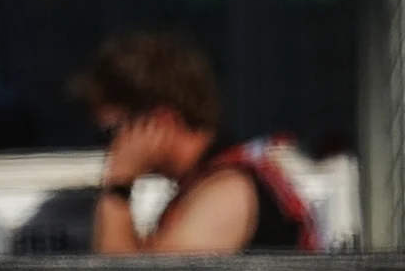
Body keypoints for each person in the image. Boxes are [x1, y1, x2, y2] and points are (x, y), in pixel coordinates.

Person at [76, 31, 315, 255]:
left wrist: (118, 187)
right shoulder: (206, 183)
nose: (110, 149)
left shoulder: (226, 192)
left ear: (160, 121)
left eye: (110, 133)